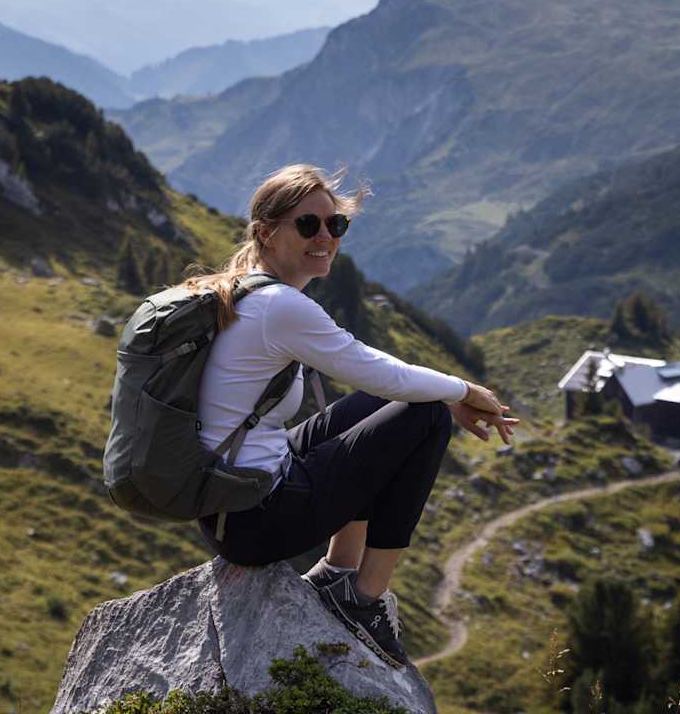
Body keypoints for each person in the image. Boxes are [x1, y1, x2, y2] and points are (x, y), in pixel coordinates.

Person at [186, 164, 517, 670]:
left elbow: (379, 384)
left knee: (378, 406)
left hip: (227, 502)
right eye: (308, 225)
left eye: (335, 225)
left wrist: (449, 394)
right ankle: (363, 599)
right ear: (265, 234)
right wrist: (465, 390)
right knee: (423, 417)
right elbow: (382, 371)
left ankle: (337, 571)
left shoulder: (245, 291)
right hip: (254, 521)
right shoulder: (278, 307)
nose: (325, 237)